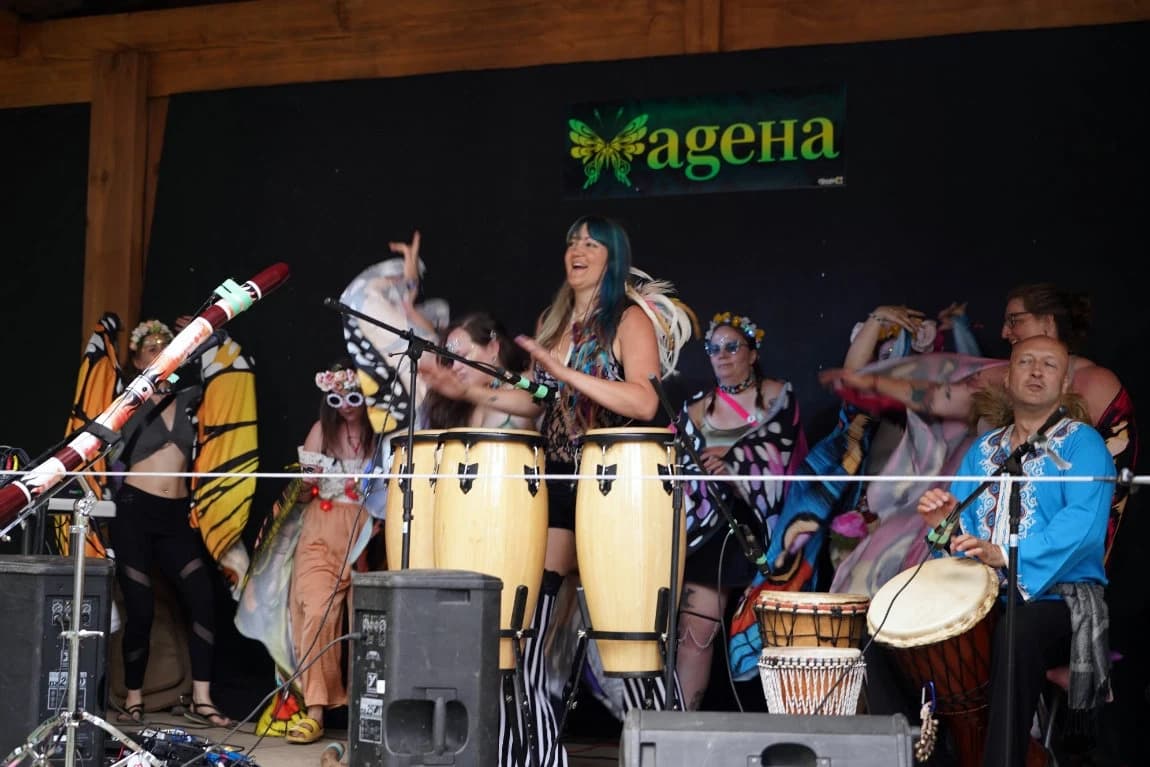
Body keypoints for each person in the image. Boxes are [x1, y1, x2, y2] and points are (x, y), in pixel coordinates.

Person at [420, 215, 690, 766]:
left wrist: (562, 373)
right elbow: (541, 402)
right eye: (572, 241)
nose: (578, 250)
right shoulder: (555, 320)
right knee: (528, 631)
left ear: (613, 256)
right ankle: (537, 755)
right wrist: (473, 389)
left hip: (618, 491)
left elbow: (643, 402)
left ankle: (678, 751)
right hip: (561, 483)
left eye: (591, 243)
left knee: (630, 644)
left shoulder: (629, 320)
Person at [916, 335, 1114, 766]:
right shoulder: (983, 452)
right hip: (987, 600)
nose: (1037, 371)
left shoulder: (1082, 445)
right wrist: (944, 526)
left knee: (1016, 628)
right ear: (1008, 379)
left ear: (1064, 385)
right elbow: (960, 541)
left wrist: (1004, 553)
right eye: (1026, 361)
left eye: (1049, 364)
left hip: (1060, 601)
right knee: (903, 630)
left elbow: (1082, 529)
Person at [674, 311, 807, 710]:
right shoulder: (696, 408)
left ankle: (785, 727)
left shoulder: (780, 396)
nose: (723, 355)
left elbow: (787, 456)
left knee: (779, 631)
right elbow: (673, 466)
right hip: (708, 527)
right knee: (695, 630)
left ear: (752, 352)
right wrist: (701, 466)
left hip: (769, 527)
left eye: (732, 347)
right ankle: (682, 725)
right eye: (714, 349)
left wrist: (735, 463)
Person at [110, 319, 235, 727]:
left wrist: (209, 331)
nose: (159, 351)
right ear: (136, 358)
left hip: (175, 516)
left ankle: (202, 697)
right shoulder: (126, 399)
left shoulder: (189, 397)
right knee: (141, 610)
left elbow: (224, 371)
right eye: (151, 348)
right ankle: (133, 695)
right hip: (134, 511)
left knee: (203, 598)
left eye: (167, 346)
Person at [285, 360, 377, 745]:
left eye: (353, 396)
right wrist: (306, 482)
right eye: (337, 398)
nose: (346, 405)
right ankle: (315, 711)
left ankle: (368, 713)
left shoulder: (380, 434)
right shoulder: (321, 430)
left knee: (369, 625)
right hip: (321, 532)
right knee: (317, 613)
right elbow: (303, 494)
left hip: (368, 537)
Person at [422, 312, 536, 430]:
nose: (455, 367)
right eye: (451, 361)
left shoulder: (523, 385)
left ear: (492, 348)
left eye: (462, 356)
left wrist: (466, 392)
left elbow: (534, 402)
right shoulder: (454, 406)